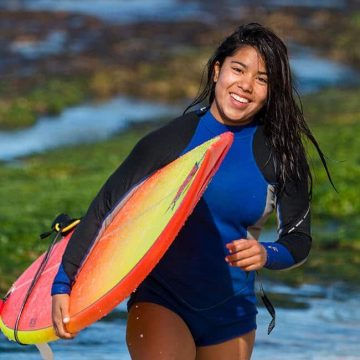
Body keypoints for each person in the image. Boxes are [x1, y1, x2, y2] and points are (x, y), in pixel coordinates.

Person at [51, 23, 331, 359]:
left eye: (262, 79)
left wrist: (266, 253)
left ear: (272, 91)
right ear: (217, 71)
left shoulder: (281, 153)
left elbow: (298, 240)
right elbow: (104, 210)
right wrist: (62, 285)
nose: (246, 85)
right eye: (238, 69)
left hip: (232, 313)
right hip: (161, 300)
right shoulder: (173, 140)